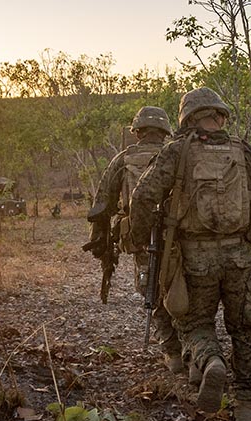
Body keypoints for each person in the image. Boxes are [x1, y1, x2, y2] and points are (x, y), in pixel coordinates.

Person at [129, 87, 251, 421]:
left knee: (193, 322)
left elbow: (142, 197)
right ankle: (248, 404)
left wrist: (139, 242)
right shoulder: (243, 150)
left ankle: (211, 362)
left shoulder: (176, 151)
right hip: (241, 255)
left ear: (187, 117)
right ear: (220, 115)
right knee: (247, 329)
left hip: (194, 256)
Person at [86, 106, 184, 373]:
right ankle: (190, 346)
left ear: (137, 131)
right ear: (165, 131)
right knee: (182, 288)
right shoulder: (178, 154)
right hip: (181, 237)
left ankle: (172, 350)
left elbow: (101, 203)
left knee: (150, 288)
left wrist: (99, 238)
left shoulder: (124, 159)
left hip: (141, 237)